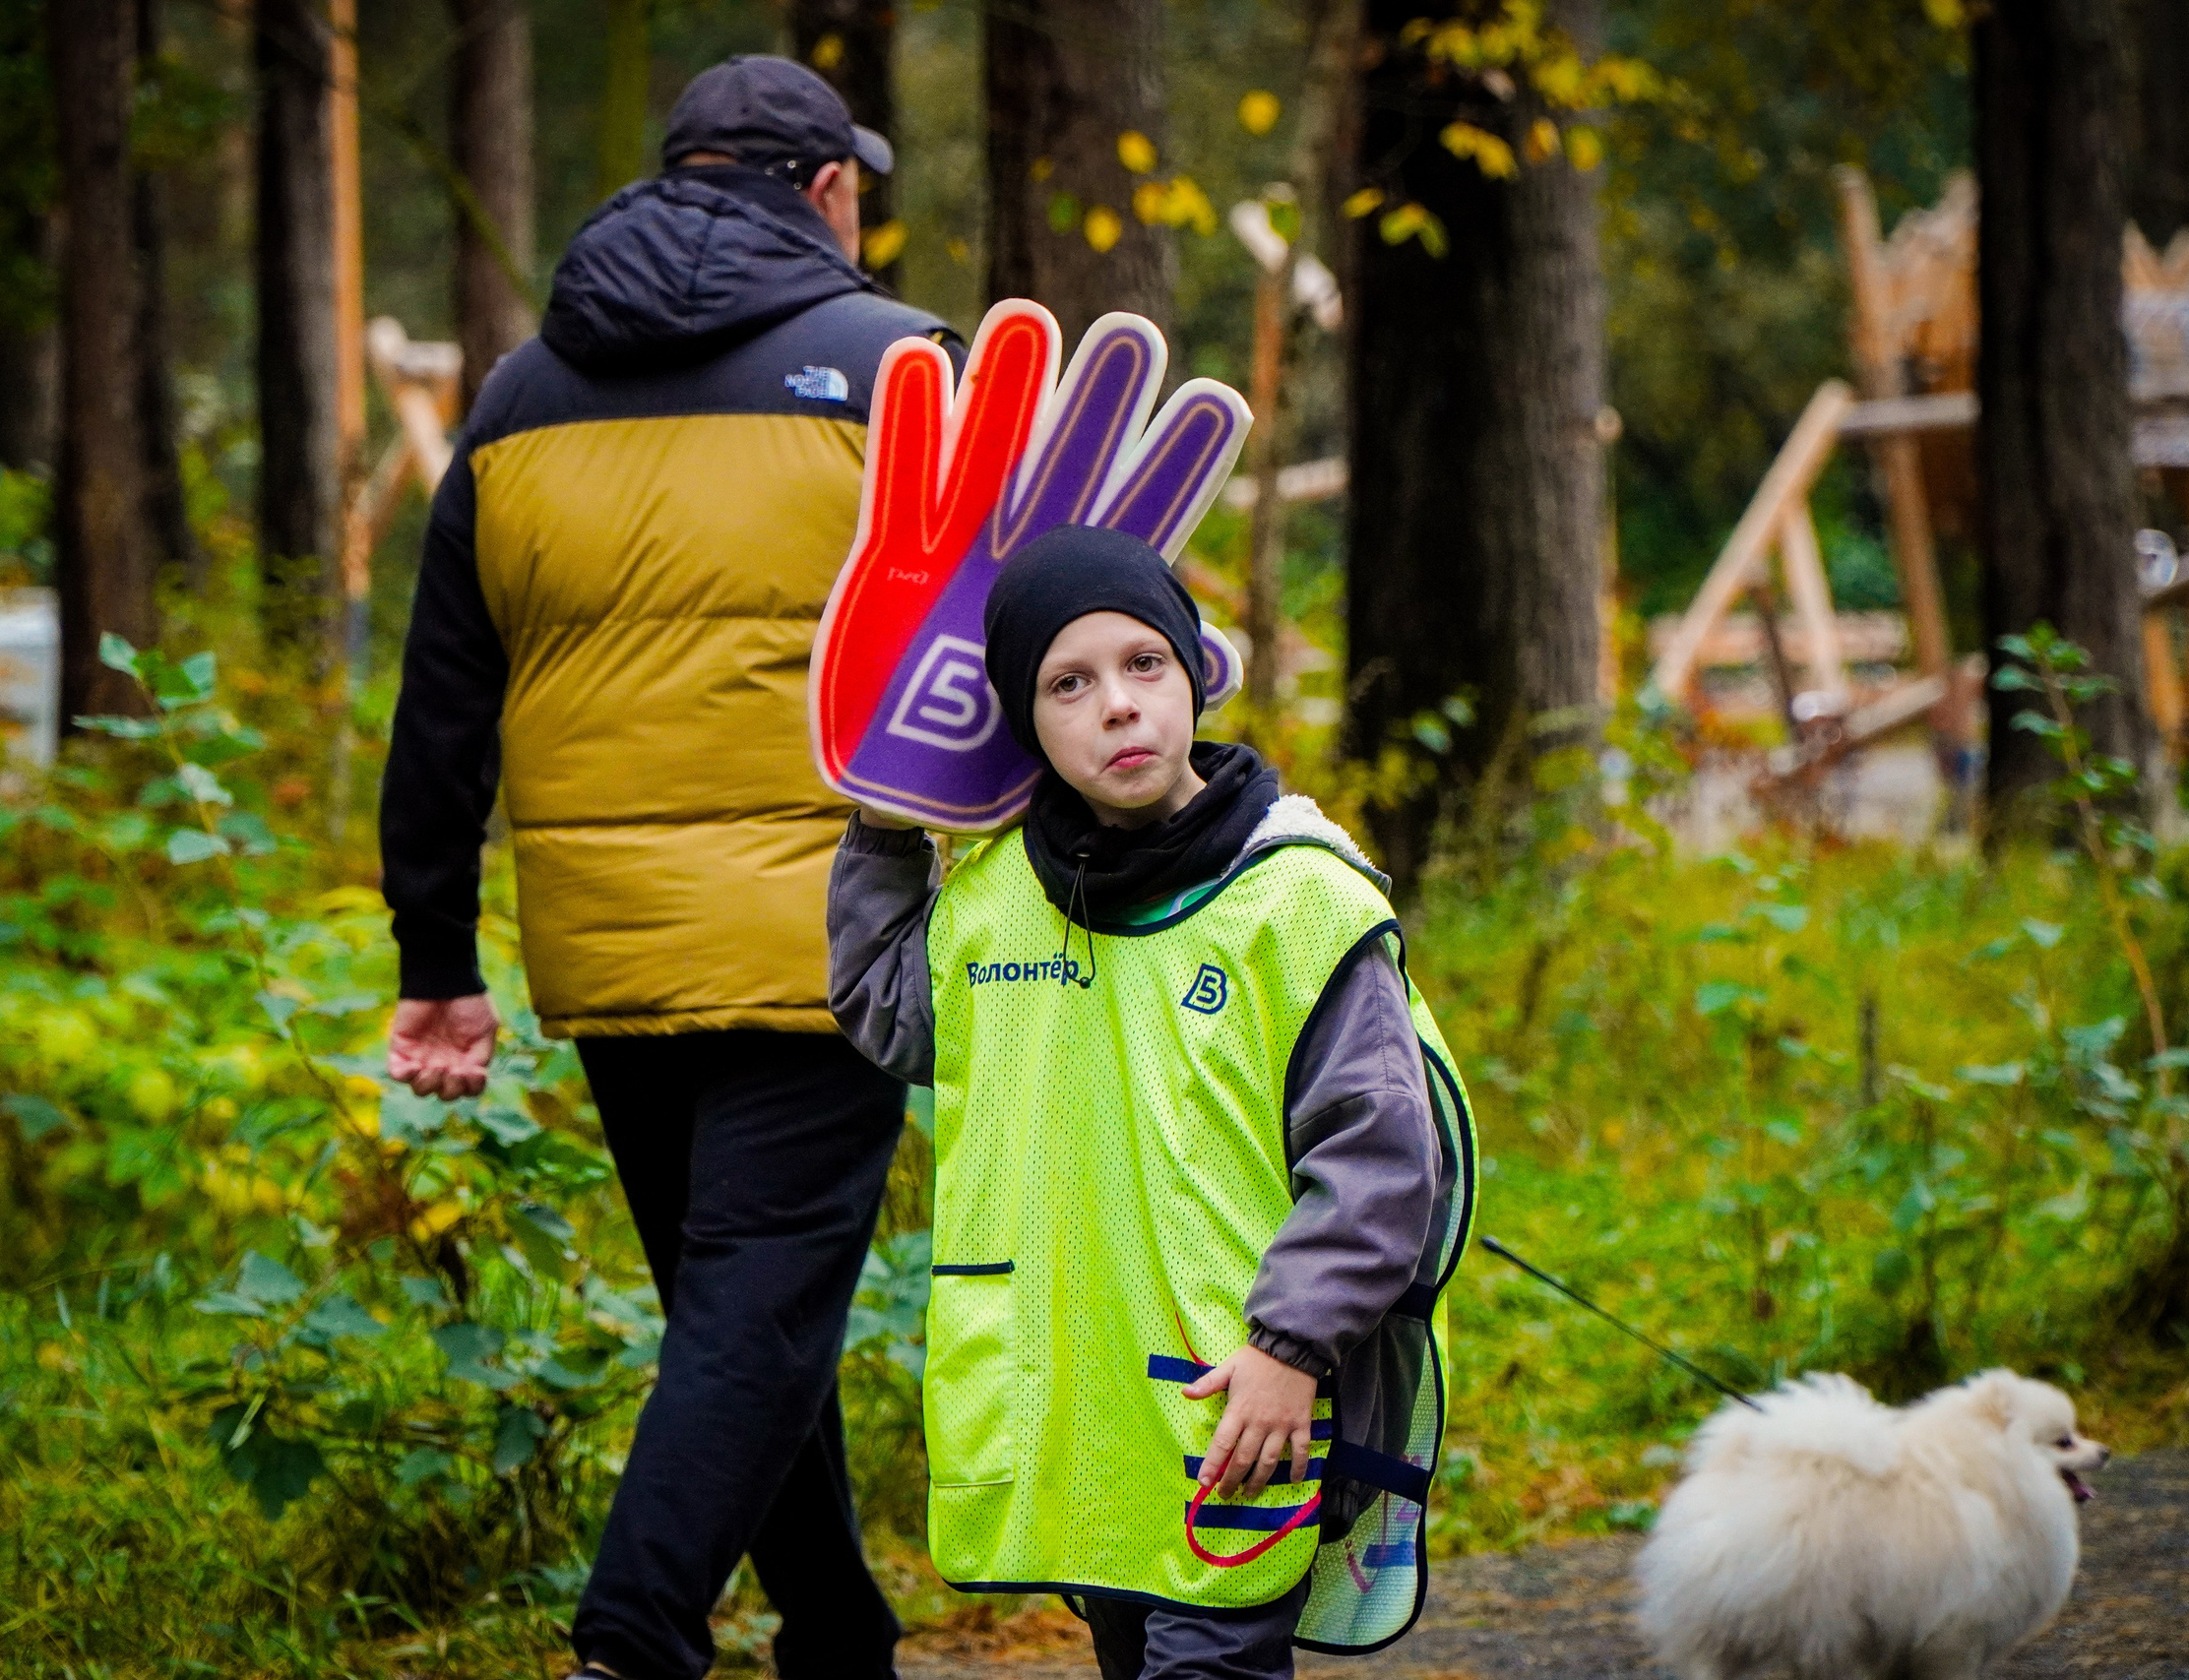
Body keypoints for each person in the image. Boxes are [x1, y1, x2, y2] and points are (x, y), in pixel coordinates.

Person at [377, 54, 962, 1680]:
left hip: (609, 946)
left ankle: (837, 1636)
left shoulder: (511, 397)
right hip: (826, 931)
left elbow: (440, 706)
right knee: (754, 1317)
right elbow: (1004, 639)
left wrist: (438, 963)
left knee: (737, 1315)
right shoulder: (904, 370)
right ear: (829, 191)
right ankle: (632, 1645)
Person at [827, 525, 1470, 1680]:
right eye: (1067, 684)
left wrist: (1292, 1343)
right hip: (1084, 1416)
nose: (1116, 706)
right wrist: (883, 819)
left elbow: (1382, 1163)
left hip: (1237, 1403)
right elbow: (888, 1011)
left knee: (1206, 1665)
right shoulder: (995, 903)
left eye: (1143, 666)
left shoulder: (1298, 902)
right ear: (1025, 722)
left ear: (1191, 675)